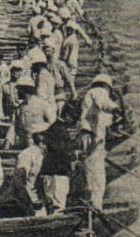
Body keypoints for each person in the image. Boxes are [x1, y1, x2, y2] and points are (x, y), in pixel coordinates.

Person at [77, 73, 121, 210]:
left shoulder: (92, 96)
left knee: (94, 172)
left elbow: (104, 120)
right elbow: (104, 103)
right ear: (106, 86)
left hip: (94, 139)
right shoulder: (97, 92)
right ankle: (94, 206)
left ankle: (94, 203)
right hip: (90, 136)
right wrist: (116, 108)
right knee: (96, 174)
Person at [39, 104, 80, 213]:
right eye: (74, 118)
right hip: (59, 174)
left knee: (50, 206)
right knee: (59, 207)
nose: (74, 122)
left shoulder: (52, 128)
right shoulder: (62, 131)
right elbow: (64, 152)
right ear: (68, 116)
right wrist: (73, 162)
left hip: (48, 172)